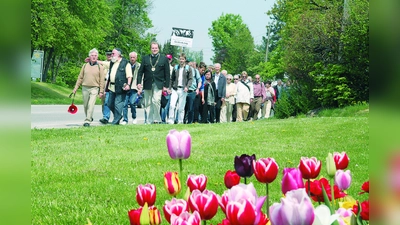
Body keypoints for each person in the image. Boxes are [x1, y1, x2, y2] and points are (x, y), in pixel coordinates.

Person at [137, 41, 170, 124]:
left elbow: (167, 73)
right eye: (153, 48)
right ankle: (149, 120)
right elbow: (140, 72)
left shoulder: (163, 58)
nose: (154, 49)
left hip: (158, 83)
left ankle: (156, 119)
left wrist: (166, 85)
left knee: (156, 100)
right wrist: (138, 82)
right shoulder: (145, 58)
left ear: (158, 49)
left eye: (156, 48)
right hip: (147, 82)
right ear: (150, 49)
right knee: (147, 102)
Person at [72, 48, 105, 127]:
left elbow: (102, 80)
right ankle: (89, 116)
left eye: (95, 55)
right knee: (86, 105)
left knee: (91, 104)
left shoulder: (100, 67)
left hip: (95, 88)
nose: (94, 57)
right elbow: (80, 77)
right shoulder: (85, 66)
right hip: (85, 87)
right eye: (92, 55)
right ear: (89, 57)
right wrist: (76, 88)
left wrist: (101, 91)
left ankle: (87, 120)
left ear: (97, 57)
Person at [107, 48, 133, 125]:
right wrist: (96, 61)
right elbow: (104, 63)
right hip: (112, 87)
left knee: (118, 104)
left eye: (113, 54)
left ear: (118, 54)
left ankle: (115, 121)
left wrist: (128, 84)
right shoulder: (112, 62)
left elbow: (129, 76)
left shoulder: (125, 63)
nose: (111, 55)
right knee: (110, 104)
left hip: (121, 87)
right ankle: (118, 116)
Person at [167, 53, 193, 124]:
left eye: (183, 59)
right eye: (180, 59)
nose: (181, 60)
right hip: (175, 89)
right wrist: (169, 88)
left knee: (181, 107)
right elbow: (171, 79)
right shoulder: (176, 68)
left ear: (185, 60)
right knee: (172, 105)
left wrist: (187, 87)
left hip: (183, 90)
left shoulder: (188, 69)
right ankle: (171, 120)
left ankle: (180, 121)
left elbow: (190, 79)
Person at [121, 51, 141, 125]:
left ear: (136, 58)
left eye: (134, 57)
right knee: (124, 104)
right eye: (131, 57)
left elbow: (141, 77)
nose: (132, 59)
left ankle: (134, 117)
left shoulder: (139, 66)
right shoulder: (126, 65)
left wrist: (140, 89)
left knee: (132, 103)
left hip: (134, 87)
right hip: (126, 87)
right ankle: (125, 119)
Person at [99, 50, 112, 124]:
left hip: (111, 83)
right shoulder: (102, 64)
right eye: (108, 55)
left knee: (110, 102)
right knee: (104, 101)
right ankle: (105, 117)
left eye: (110, 54)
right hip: (103, 83)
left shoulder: (114, 63)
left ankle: (114, 116)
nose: (109, 56)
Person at [161, 54, 174, 123]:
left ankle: (164, 120)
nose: (167, 60)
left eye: (169, 59)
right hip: (160, 88)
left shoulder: (172, 69)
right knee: (160, 105)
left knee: (166, 106)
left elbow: (173, 80)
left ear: (171, 60)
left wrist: (170, 89)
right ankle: (160, 120)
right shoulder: (161, 67)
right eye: (166, 59)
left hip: (168, 89)